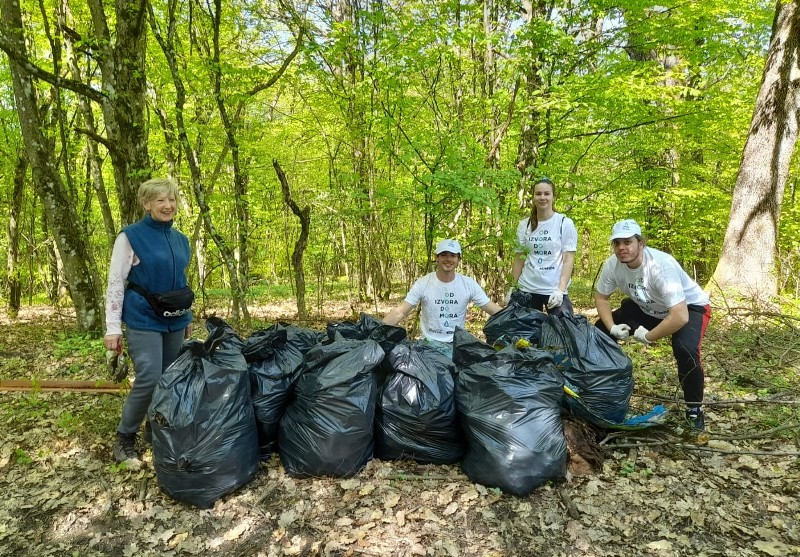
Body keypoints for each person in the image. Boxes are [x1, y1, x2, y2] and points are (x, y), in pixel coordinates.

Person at [104, 177, 194, 462]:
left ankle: (154, 430)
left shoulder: (181, 240)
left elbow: (181, 281)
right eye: (160, 200)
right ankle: (124, 439)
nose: (168, 206)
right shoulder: (131, 237)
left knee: (170, 379)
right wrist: (112, 328)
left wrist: (187, 317)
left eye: (172, 200)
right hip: (143, 317)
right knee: (149, 377)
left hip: (175, 320)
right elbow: (116, 282)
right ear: (146, 204)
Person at [594, 219, 711, 430]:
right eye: (617, 243)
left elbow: (679, 316)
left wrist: (648, 336)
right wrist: (611, 327)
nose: (622, 248)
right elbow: (602, 297)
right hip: (648, 307)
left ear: (641, 243)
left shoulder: (660, 266)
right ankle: (599, 391)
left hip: (690, 308)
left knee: (685, 349)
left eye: (628, 242)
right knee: (599, 331)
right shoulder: (612, 264)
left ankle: (694, 408)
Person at [382, 239, 502, 356]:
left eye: (453, 255)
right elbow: (400, 312)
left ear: (458, 259)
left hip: (455, 345)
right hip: (427, 345)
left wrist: (517, 320)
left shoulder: (468, 284)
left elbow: (492, 309)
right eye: (444, 255)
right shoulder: (423, 283)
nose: (448, 259)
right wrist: (376, 331)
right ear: (437, 258)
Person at [509, 177, 577, 316]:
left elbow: (568, 259)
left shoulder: (564, 223)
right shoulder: (524, 225)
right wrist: (513, 287)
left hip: (553, 289)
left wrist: (560, 290)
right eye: (538, 194)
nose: (542, 197)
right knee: (525, 335)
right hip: (527, 288)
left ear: (553, 196)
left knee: (563, 331)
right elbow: (519, 258)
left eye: (547, 193)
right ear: (533, 197)